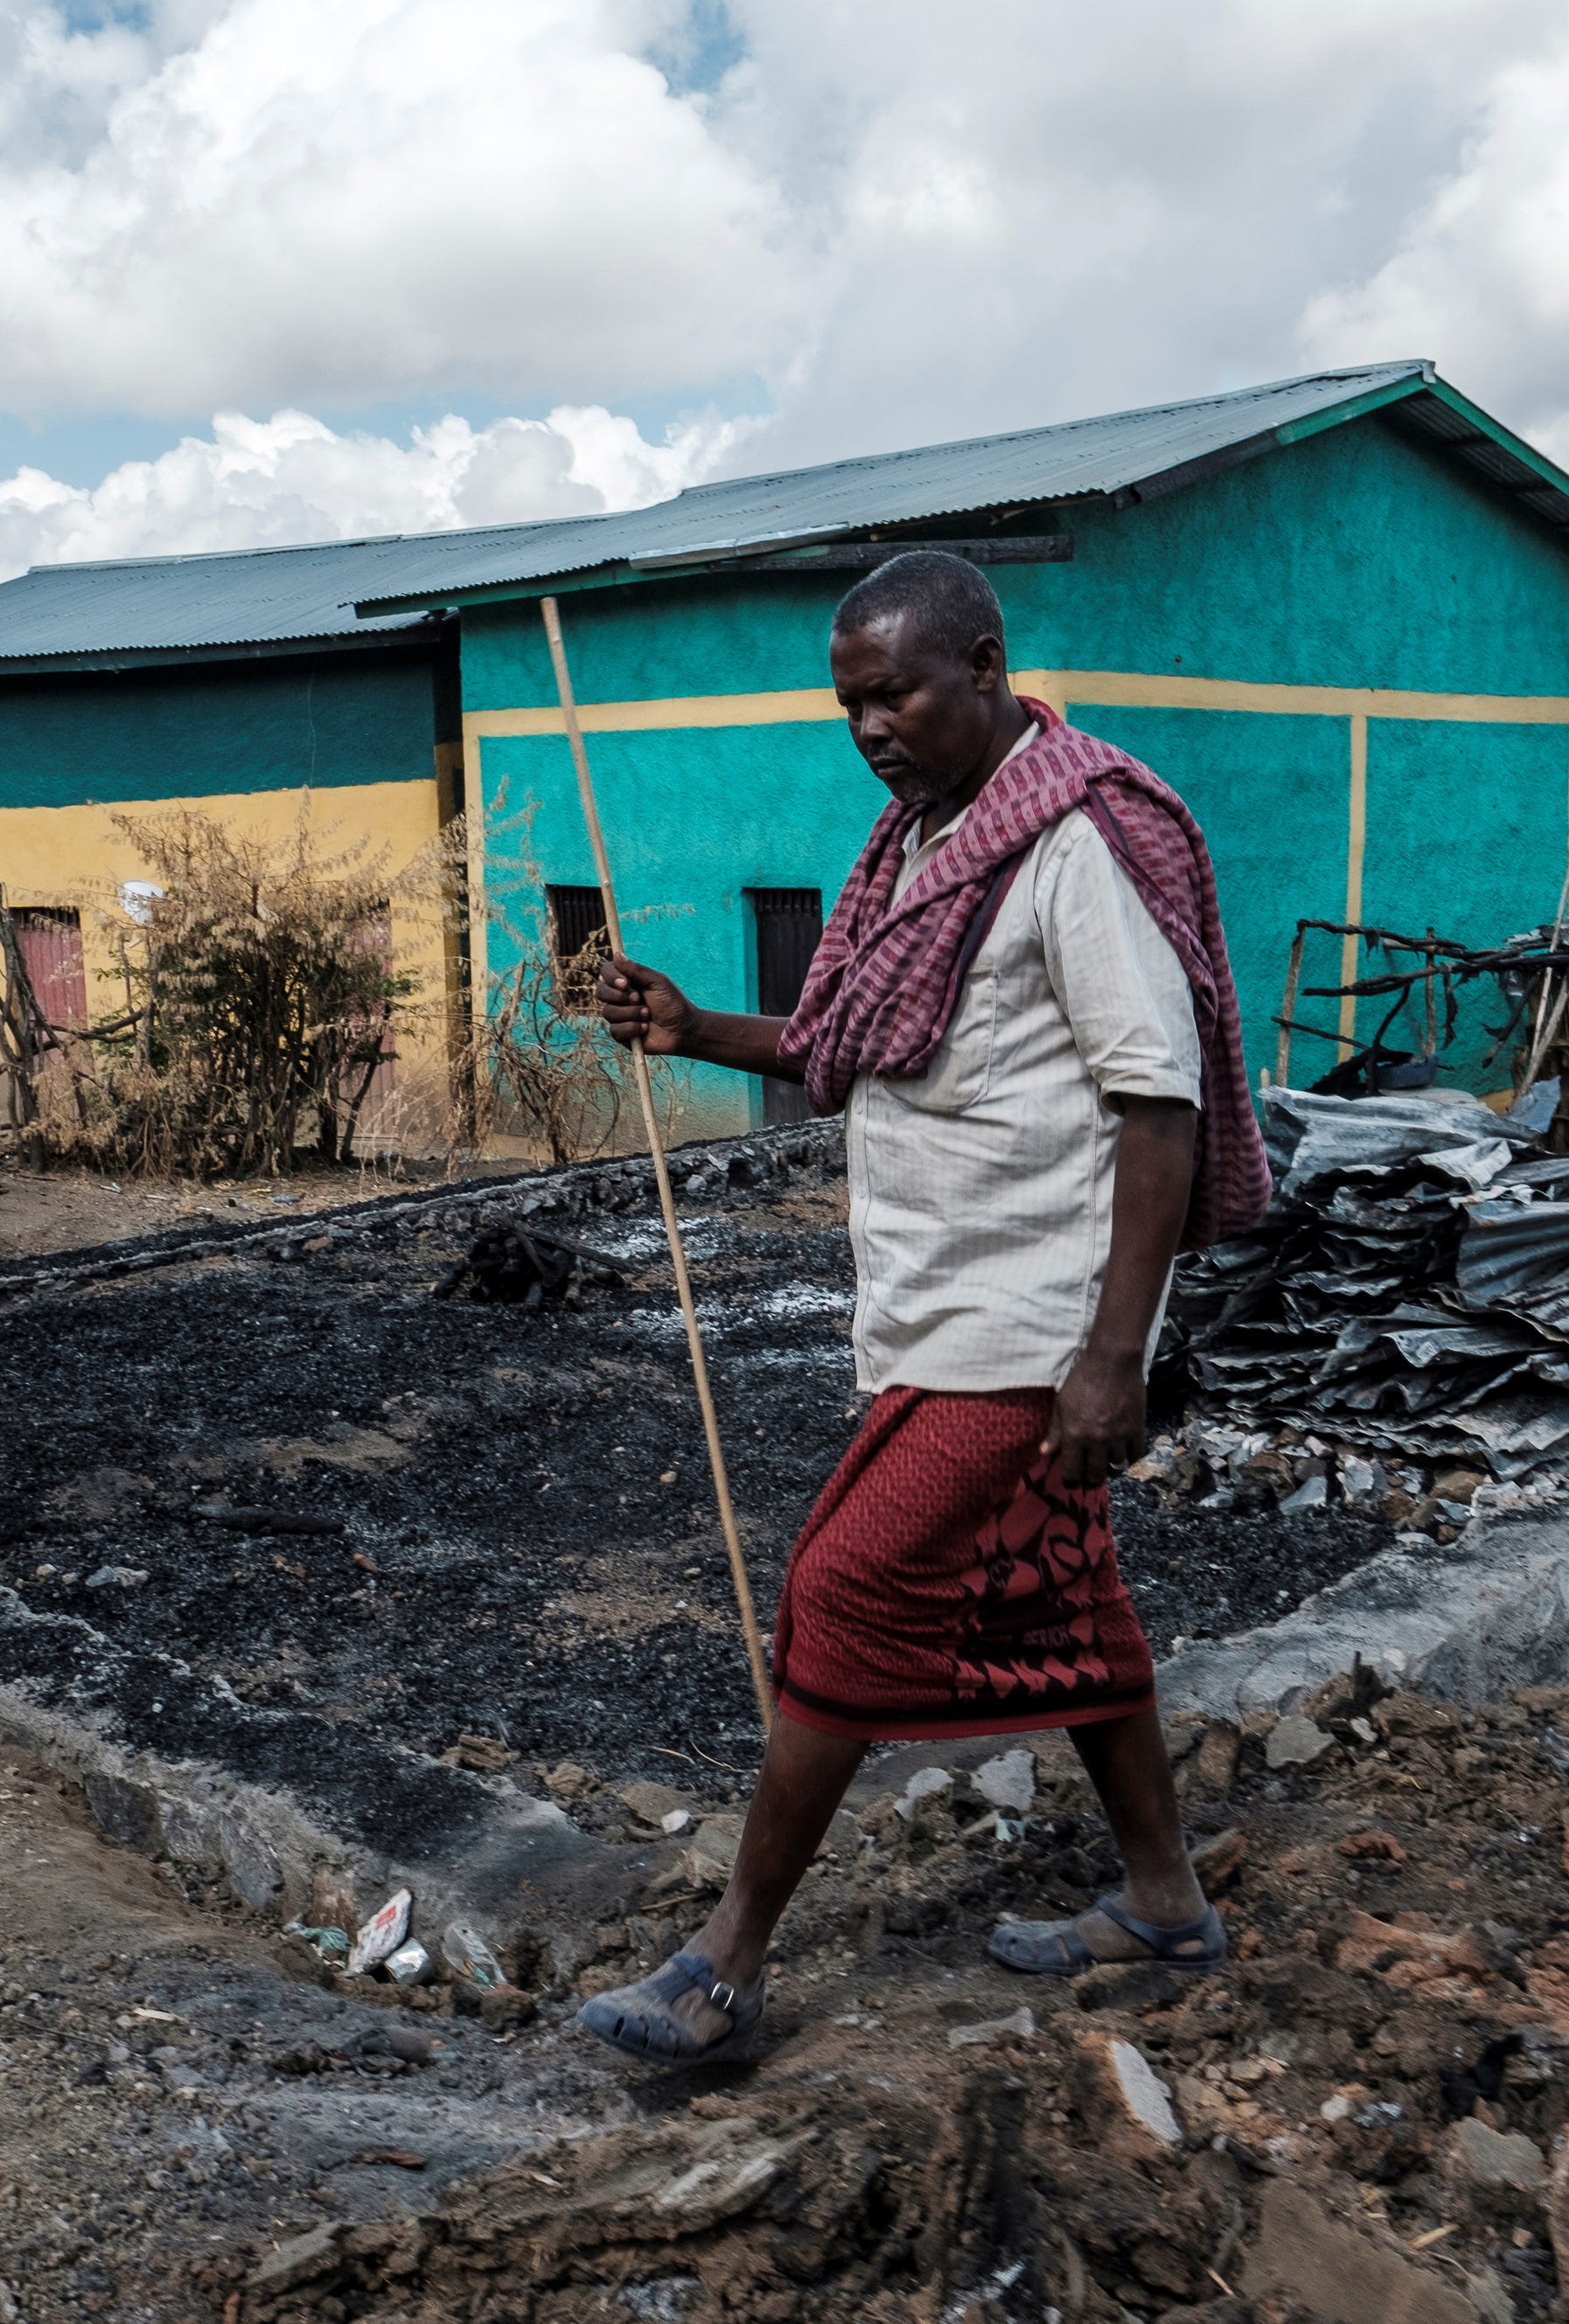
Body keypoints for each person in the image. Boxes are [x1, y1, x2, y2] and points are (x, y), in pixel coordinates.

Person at [575, 550, 1275, 2065]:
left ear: (983, 660)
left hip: (1032, 1323)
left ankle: (726, 1962)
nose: (872, 724)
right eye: (850, 702)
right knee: (1065, 1605)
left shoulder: (1074, 843)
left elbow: (1161, 1109)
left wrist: (1112, 1355)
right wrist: (698, 1025)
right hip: (939, 1298)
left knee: (841, 1592)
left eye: (895, 689)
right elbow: (860, 1049)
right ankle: (1165, 1902)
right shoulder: (916, 848)